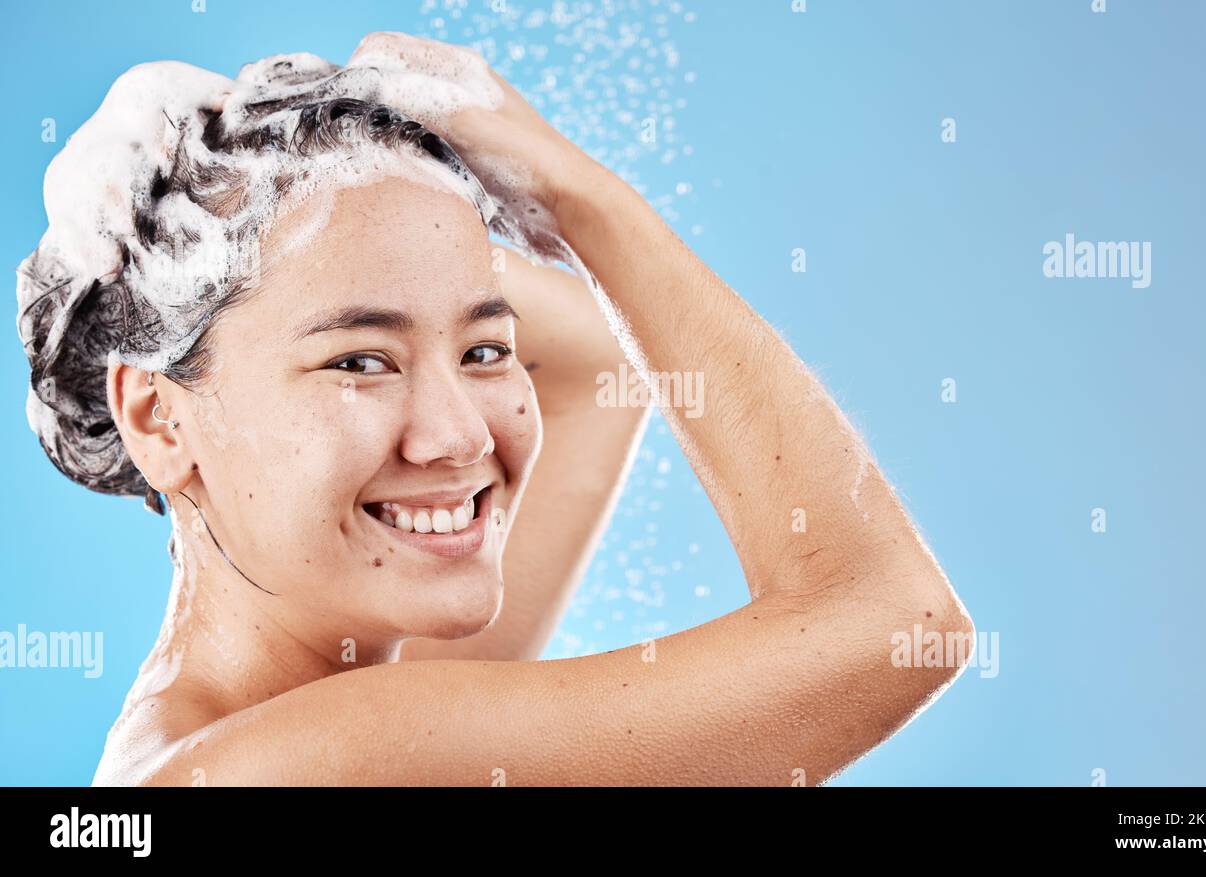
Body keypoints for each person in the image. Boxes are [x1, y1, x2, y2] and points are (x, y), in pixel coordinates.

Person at [18, 32, 974, 786]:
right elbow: (891, 621)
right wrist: (582, 196)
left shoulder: (247, 738)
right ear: (157, 418)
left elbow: (598, 363)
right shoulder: (317, 762)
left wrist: (351, 213)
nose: (461, 435)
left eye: (484, 351)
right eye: (359, 360)